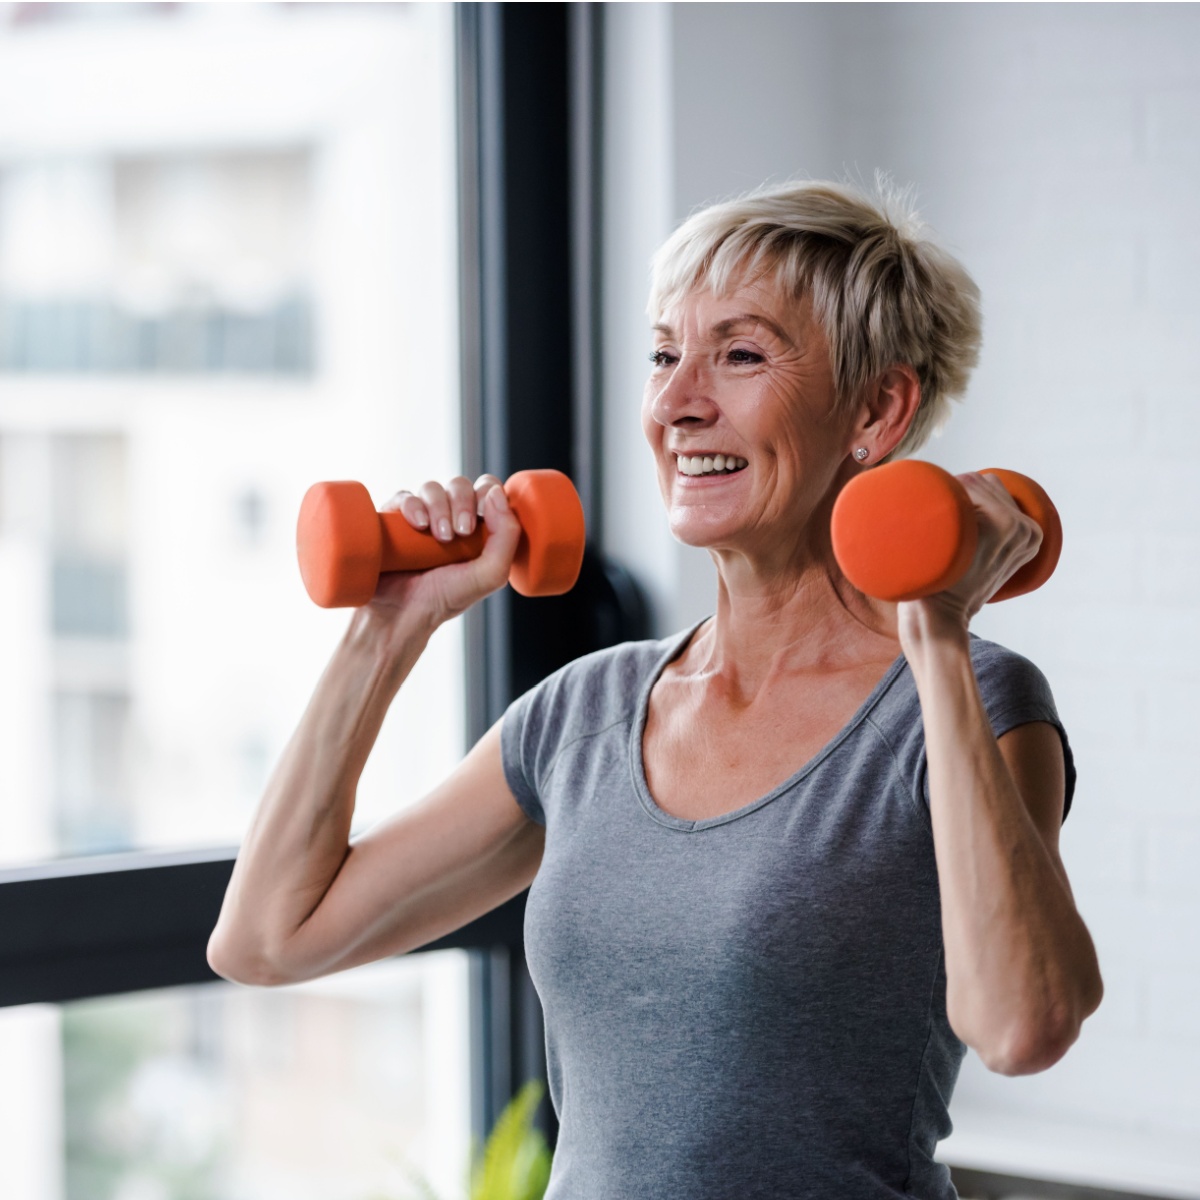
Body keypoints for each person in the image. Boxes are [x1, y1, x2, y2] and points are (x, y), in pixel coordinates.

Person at [208, 180, 1103, 1199]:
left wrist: (934, 629)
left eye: (741, 353)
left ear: (877, 408)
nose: (679, 403)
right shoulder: (582, 714)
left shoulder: (972, 704)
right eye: (665, 354)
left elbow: (1024, 1026)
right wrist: (388, 629)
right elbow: (266, 939)